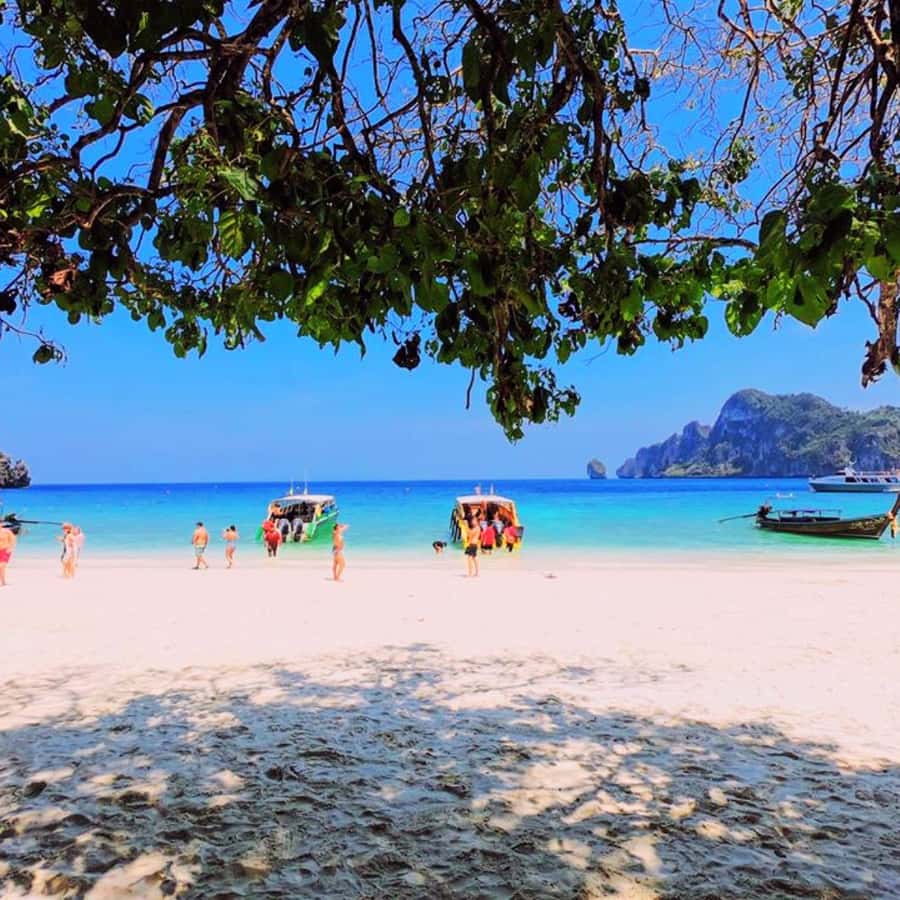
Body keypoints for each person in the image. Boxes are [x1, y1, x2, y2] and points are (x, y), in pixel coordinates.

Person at [0, 521, 16, 587]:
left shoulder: (7, 531)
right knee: (1, 568)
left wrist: (10, 548)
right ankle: (3, 582)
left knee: (2, 566)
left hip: (5, 551)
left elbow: (13, 540)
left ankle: (3, 582)